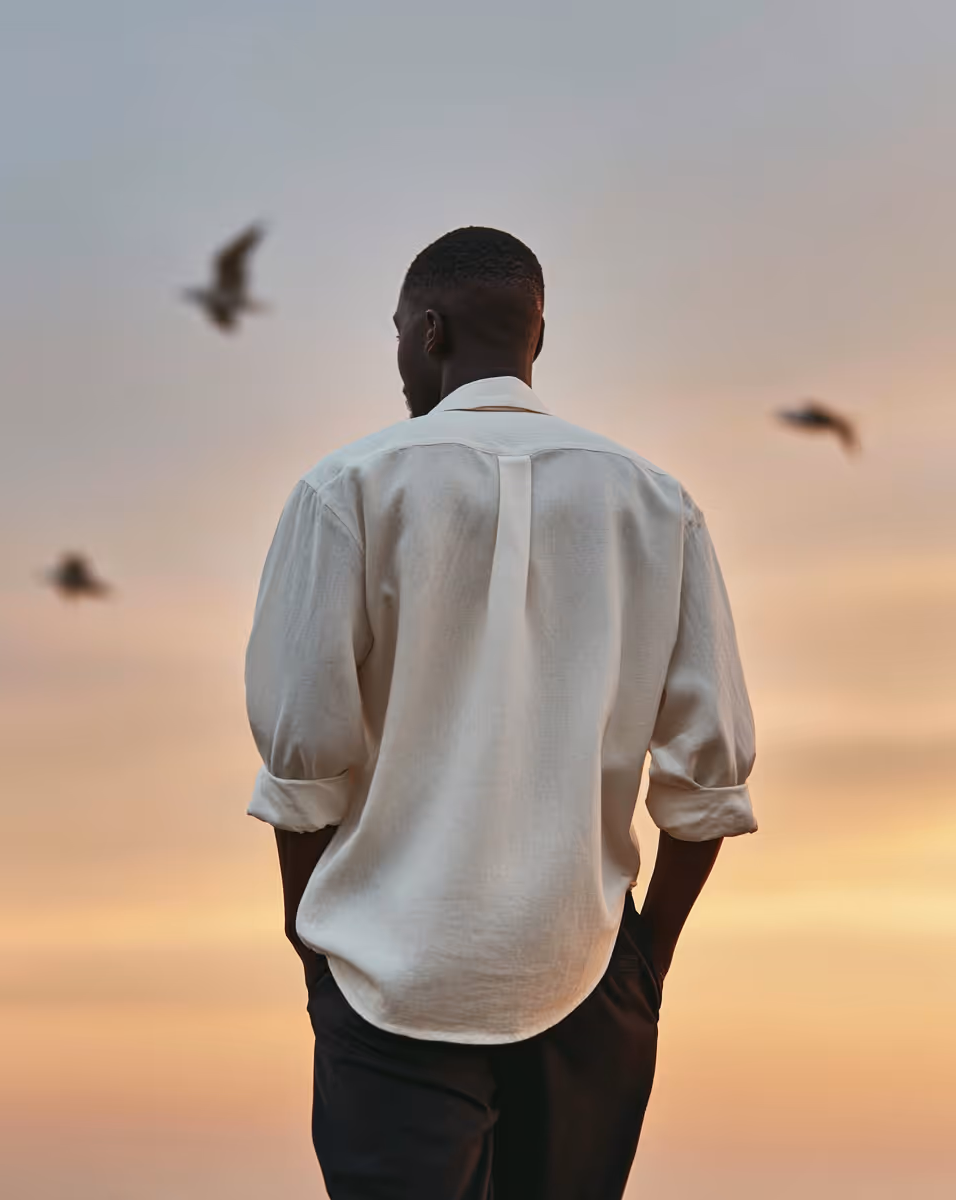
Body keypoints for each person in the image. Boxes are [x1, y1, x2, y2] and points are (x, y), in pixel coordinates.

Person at [245, 226, 757, 1199]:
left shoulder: (345, 489)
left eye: (398, 331)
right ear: (538, 336)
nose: (398, 354)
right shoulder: (656, 504)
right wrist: (644, 966)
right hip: (587, 964)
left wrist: (314, 954)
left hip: (389, 972)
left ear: (429, 331)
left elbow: (303, 768)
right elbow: (709, 779)